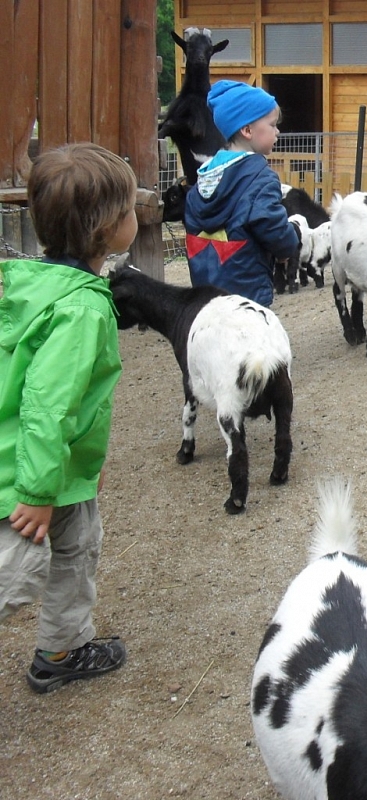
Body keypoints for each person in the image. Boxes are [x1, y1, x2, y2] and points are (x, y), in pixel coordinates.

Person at [0, 142, 138, 693]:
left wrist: (83, 464)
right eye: (129, 209)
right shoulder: (79, 309)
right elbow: (48, 405)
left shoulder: (34, 286)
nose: (137, 217)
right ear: (106, 229)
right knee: (14, 574)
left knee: (78, 552)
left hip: (62, 471)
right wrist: (36, 489)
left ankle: (62, 649)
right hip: (25, 479)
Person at [184, 80, 299, 307]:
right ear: (247, 131)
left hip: (206, 299)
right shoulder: (260, 177)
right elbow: (268, 221)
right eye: (272, 124)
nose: (278, 131)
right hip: (248, 295)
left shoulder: (204, 179)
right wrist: (287, 246)